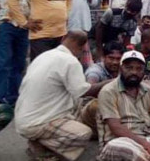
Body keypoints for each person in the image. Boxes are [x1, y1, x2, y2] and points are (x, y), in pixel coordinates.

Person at [14, 31, 111, 161]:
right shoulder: (70, 61)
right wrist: (110, 82)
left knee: (75, 104)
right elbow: (84, 92)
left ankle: (41, 140)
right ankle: (43, 149)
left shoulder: (45, 56)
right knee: (83, 133)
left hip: (23, 118)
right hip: (36, 123)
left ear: (63, 38)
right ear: (82, 48)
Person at [0, 0, 36, 104]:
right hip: (6, 22)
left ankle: (14, 99)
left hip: (26, 25)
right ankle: (1, 100)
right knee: (4, 62)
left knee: (19, 64)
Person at [67, 0, 98, 69]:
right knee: (69, 57)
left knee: (84, 59)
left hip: (83, 25)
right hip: (68, 26)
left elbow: (94, 2)